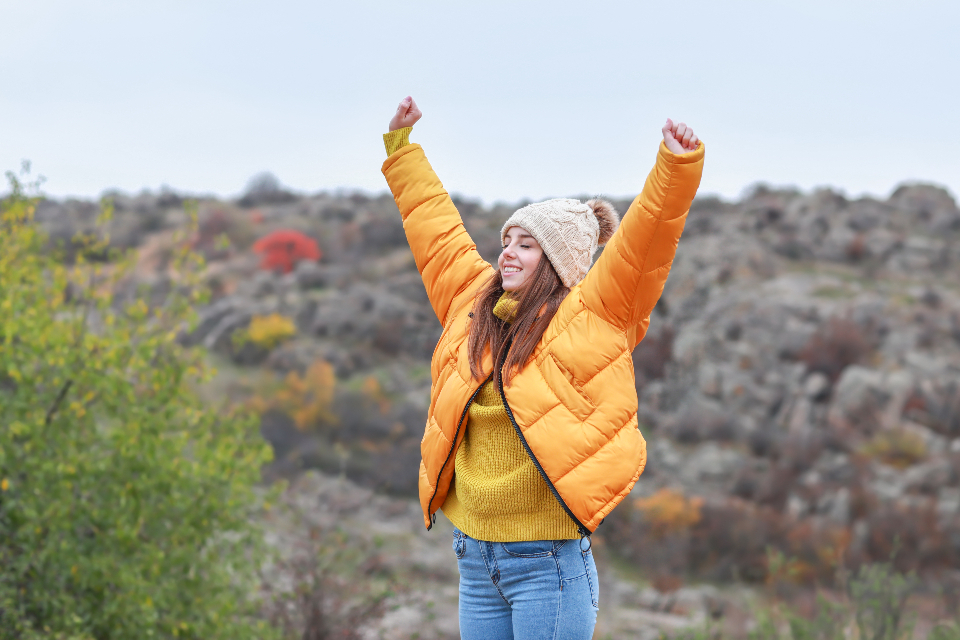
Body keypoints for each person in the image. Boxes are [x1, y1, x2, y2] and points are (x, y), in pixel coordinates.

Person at [381, 96, 704, 639]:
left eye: (526, 244)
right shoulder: (472, 303)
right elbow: (434, 232)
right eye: (506, 239)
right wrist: (402, 148)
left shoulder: (596, 315)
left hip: (547, 567)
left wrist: (674, 166)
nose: (507, 251)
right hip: (475, 561)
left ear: (558, 263)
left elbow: (643, 247)